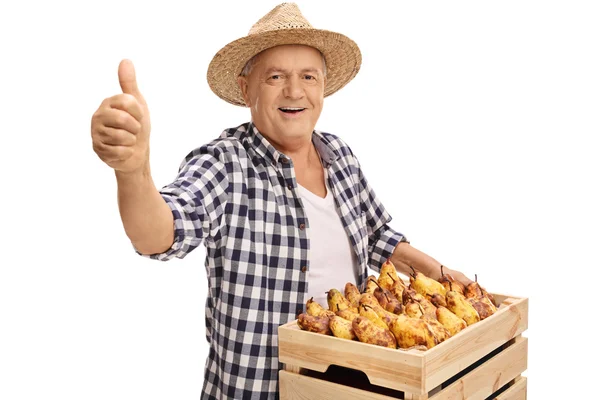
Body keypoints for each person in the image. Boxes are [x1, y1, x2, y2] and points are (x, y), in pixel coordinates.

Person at [90, 3, 474, 399]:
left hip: (352, 388)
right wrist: (133, 170)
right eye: (275, 77)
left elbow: (378, 237)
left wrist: (443, 275)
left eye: (308, 76)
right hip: (257, 390)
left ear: (322, 87)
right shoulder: (225, 163)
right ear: (246, 88)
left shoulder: (339, 156)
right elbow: (158, 235)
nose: (294, 91)